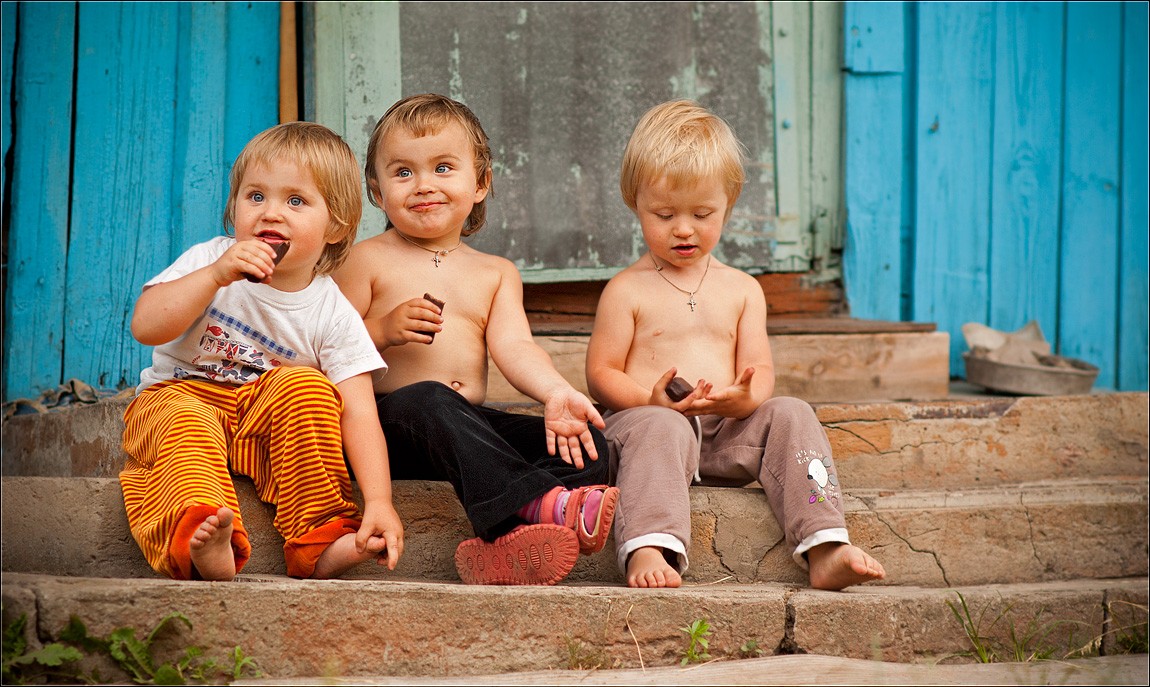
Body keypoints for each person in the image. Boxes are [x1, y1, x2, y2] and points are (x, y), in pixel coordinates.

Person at [585, 99, 887, 590]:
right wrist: (648, 400)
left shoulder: (743, 289)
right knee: (663, 426)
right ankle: (647, 546)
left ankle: (826, 544)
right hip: (649, 438)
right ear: (634, 203)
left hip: (726, 436)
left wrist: (746, 397)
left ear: (728, 203)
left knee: (791, 411)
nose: (683, 228)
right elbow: (600, 372)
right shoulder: (626, 289)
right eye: (663, 214)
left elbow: (758, 369)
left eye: (702, 213)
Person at [334, 93, 618, 586]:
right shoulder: (364, 260)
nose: (423, 185)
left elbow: (515, 347)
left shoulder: (495, 272)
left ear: (480, 182)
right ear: (378, 193)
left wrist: (555, 393)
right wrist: (380, 332)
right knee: (428, 397)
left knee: (591, 444)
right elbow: (323, 346)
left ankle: (500, 544)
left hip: (466, 427)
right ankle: (536, 503)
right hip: (390, 426)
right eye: (403, 173)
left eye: (443, 167)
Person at [120, 121, 403, 582]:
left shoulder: (332, 312)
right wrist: (214, 276)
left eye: (295, 201)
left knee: (309, 386)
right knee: (182, 420)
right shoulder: (209, 259)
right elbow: (146, 326)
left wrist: (380, 502)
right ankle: (206, 541)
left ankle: (322, 539)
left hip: (259, 423)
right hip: (181, 395)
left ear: (335, 226)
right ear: (234, 208)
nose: (271, 213)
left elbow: (359, 414)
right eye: (256, 197)